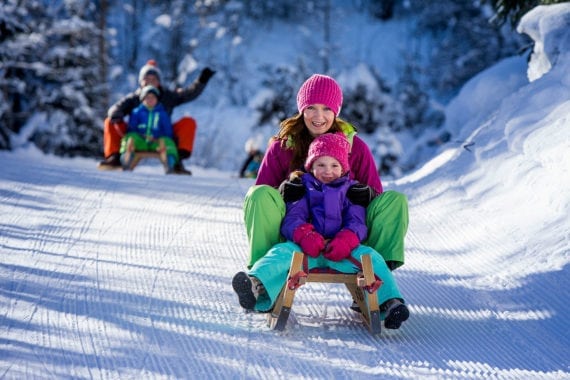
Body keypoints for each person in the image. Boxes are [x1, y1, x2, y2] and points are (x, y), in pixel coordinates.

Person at [232, 133, 409, 329]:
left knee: (372, 258)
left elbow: (357, 222)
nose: (328, 171)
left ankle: (390, 302)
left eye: (334, 165)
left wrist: (346, 240)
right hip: (306, 249)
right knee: (280, 254)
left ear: (343, 168)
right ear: (310, 166)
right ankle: (256, 285)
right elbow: (293, 218)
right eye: (321, 165)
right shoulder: (302, 188)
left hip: (343, 251)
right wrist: (305, 235)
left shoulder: (352, 191)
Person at [243, 74, 409, 271]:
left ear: (336, 112)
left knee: (395, 201)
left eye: (327, 108)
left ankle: (377, 276)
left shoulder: (355, 147)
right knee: (257, 195)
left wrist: (369, 194)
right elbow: (262, 196)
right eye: (311, 107)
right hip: (293, 235)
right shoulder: (282, 147)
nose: (319, 116)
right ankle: (262, 276)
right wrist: (282, 190)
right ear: (301, 109)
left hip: (348, 238)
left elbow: (379, 203)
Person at [98, 59, 215, 174]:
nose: (150, 81)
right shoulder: (134, 98)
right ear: (141, 81)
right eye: (146, 79)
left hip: (162, 135)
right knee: (110, 121)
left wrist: (201, 81)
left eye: (153, 79)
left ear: (159, 81)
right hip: (138, 136)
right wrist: (117, 118)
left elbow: (189, 94)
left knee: (188, 122)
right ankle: (115, 158)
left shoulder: (168, 96)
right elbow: (115, 109)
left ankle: (176, 161)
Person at [120, 85, 178, 173]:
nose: (150, 100)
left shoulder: (162, 113)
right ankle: (126, 157)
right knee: (129, 138)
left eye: (153, 97)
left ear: (157, 100)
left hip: (157, 142)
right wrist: (141, 135)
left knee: (168, 142)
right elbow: (132, 128)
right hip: (141, 141)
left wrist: (159, 138)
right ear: (143, 99)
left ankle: (169, 162)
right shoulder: (137, 112)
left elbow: (167, 130)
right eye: (147, 97)